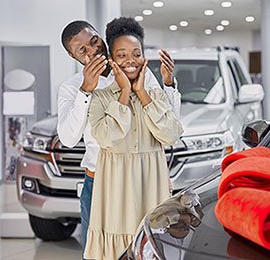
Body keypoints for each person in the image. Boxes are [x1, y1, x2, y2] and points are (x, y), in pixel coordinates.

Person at [57, 20, 180, 258]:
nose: (93, 50)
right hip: (100, 182)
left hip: (144, 180)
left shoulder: (135, 71)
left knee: (149, 249)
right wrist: (86, 91)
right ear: (73, 57)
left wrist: (168, 84)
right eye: (83, 50)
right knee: (102, 252)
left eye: (94, 41)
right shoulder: (72, 88)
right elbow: (68, 139)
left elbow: (169, 125)